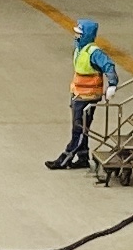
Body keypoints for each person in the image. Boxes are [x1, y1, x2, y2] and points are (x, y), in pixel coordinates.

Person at [48, 16, 115, 171]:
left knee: (79, 128)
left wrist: (112, 84)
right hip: (79, 94)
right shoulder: (80, 49)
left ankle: (64, 159)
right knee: (82, 127)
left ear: (86, 35)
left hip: (88, 96)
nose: (76, 36)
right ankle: (83, 157)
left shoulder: (94, 52)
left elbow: (109, 66)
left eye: (79, 33)